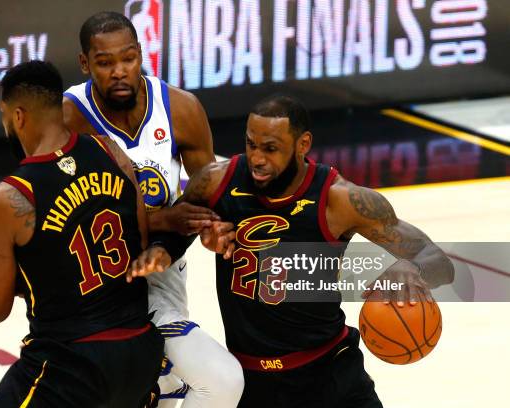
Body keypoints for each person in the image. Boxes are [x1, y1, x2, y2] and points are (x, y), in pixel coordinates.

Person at [180, 94, 455, 407]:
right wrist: (201, 230)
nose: (257, 158)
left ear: (302, 143)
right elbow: (166, 233)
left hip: (331, 374)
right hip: (253, 381)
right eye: (250, 144)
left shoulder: (339, 199)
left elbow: (439, 261)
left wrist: (412, 270)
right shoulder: (217, 182)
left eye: (270, 148)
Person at [63, 11, 244, 407]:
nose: (119, 71)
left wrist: (212, 228)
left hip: (164, 274)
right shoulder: (70, 117)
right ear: (84, 64)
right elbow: (70, 219)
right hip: (102, 281)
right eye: (105, 62)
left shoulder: (180, 109)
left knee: (167, 394)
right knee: (217, 381)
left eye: (128, 59)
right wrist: (166, 217)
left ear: (141, 54)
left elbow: (208, 198)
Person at [0, 60, 174, 407]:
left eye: (5, 117)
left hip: (70, 365)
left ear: (18, 116)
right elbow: (138, 244)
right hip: (139, 353)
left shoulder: (8, 198)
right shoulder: (110, 152)